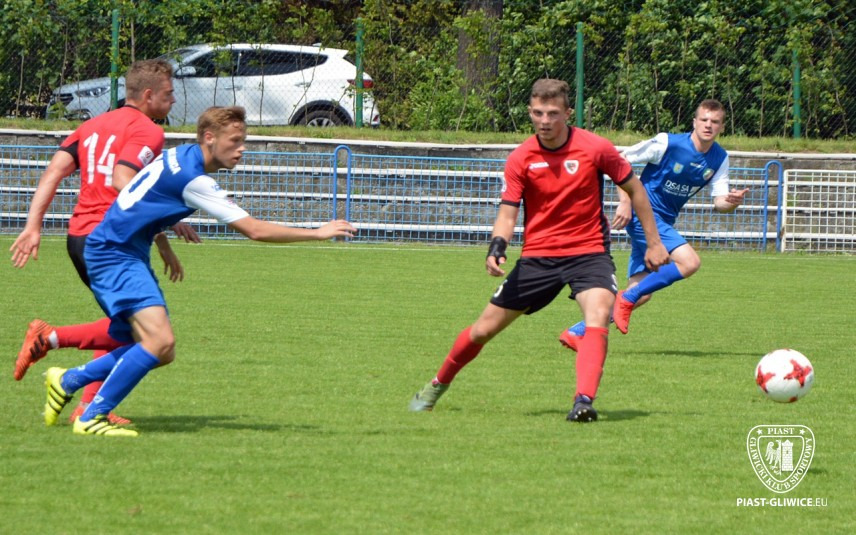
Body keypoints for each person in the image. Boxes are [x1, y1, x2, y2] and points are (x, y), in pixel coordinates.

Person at [41, 106, 356, 437]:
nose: (241, 149)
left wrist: (162, 240)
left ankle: (69, 380)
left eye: (243, 141)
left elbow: (146, 197)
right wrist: (317, 232)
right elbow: (254, 230)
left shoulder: (181, 154)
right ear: (209, 138)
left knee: (160, 350)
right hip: (114, 253)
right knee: (158, 341)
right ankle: (92, 416)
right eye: (234, 141)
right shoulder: (195, 180)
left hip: (122, 250)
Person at [408, 79, 669, 422]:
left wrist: (654, 242)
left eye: (553, 113)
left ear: (567, 113)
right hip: (538, 258)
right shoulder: (521, 158)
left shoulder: (595, 148)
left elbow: (636, 190)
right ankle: (436, 386)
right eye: (538, 113)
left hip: (588, 252)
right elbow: (508, 212)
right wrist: (497, 246)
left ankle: (583, 401)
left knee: (598, 312)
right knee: (483, 330)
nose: (545, 121)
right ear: (530, 112)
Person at [10, 59, 197, 424]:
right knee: (148, 337)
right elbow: (126, 186)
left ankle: (86, 401)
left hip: (81, 238)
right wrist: (166, 224)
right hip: (112, 242)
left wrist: (33, 226)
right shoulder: (148, 131)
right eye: (169, 93)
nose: (174, 99)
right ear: (148, 95)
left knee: (126, 328)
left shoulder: (91, 126)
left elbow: (54, 171)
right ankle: (57, 352)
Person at [559, 99, 749, 350]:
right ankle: (627, 298)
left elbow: (719, 202)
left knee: (643, 291)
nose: (708, 125)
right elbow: (619, 160)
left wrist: (732, 202)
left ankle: (577, 332)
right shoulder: (667, 143)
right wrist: (625, 200)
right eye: (703, 120)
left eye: (714, 122)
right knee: (689, 262)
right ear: (694, 122)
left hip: (663, 221)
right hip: (644, 215)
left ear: (722, 127)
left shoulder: (719, 158)